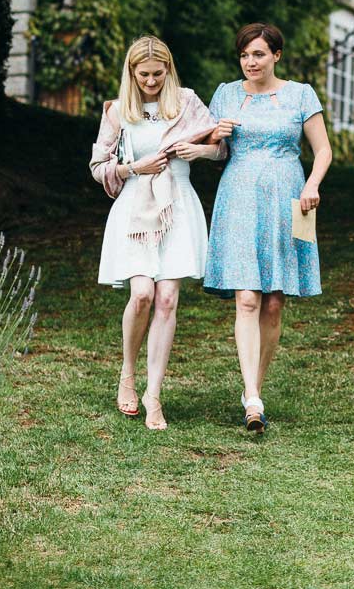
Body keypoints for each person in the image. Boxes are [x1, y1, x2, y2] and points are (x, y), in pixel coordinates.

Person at [88, 35, 226, 431]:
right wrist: (134, 168)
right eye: (143, 74)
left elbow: (219, 147)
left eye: (158, 73)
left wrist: (200, 151)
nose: (151, 81)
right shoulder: (118, 111)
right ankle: (127, 374)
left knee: (167, 298)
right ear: (131, 73)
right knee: (143, 293)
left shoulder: (186, 103)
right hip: (136, 206)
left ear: (169, 70)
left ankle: (154, 395)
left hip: (178, 202)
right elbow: (99, 167)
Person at [200, 21, 330, 433]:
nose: (249, 62)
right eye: (243, 55)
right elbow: (215, 151)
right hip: (238, 196)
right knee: (247, 298)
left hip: (290, 195)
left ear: (276, 55)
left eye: (257, 54)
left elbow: (323, 150)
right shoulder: (225, 94)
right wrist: (213, 137)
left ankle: (254, 386)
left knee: (275, 300)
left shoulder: (300, 94)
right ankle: (252, 397)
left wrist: (312, 184)